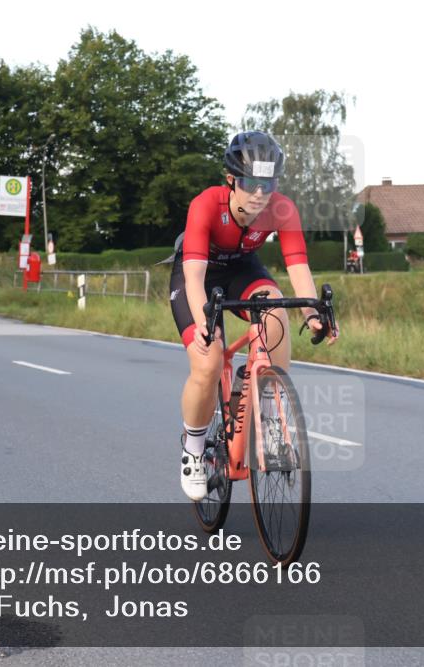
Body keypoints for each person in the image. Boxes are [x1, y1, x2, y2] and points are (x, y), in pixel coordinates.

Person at [169, 131, 338, 500]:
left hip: (242, 270)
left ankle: (271, 419)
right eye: (250, 183)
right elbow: (194, 277)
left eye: (268, 184)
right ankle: (193, 450)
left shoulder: (282, 209)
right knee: (209, 361)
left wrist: (312, 313)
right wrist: (204, 325)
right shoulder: (206, 204)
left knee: (275, 308)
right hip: (198, 274)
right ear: (231, 179)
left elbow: (298, 267)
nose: (260, 193)